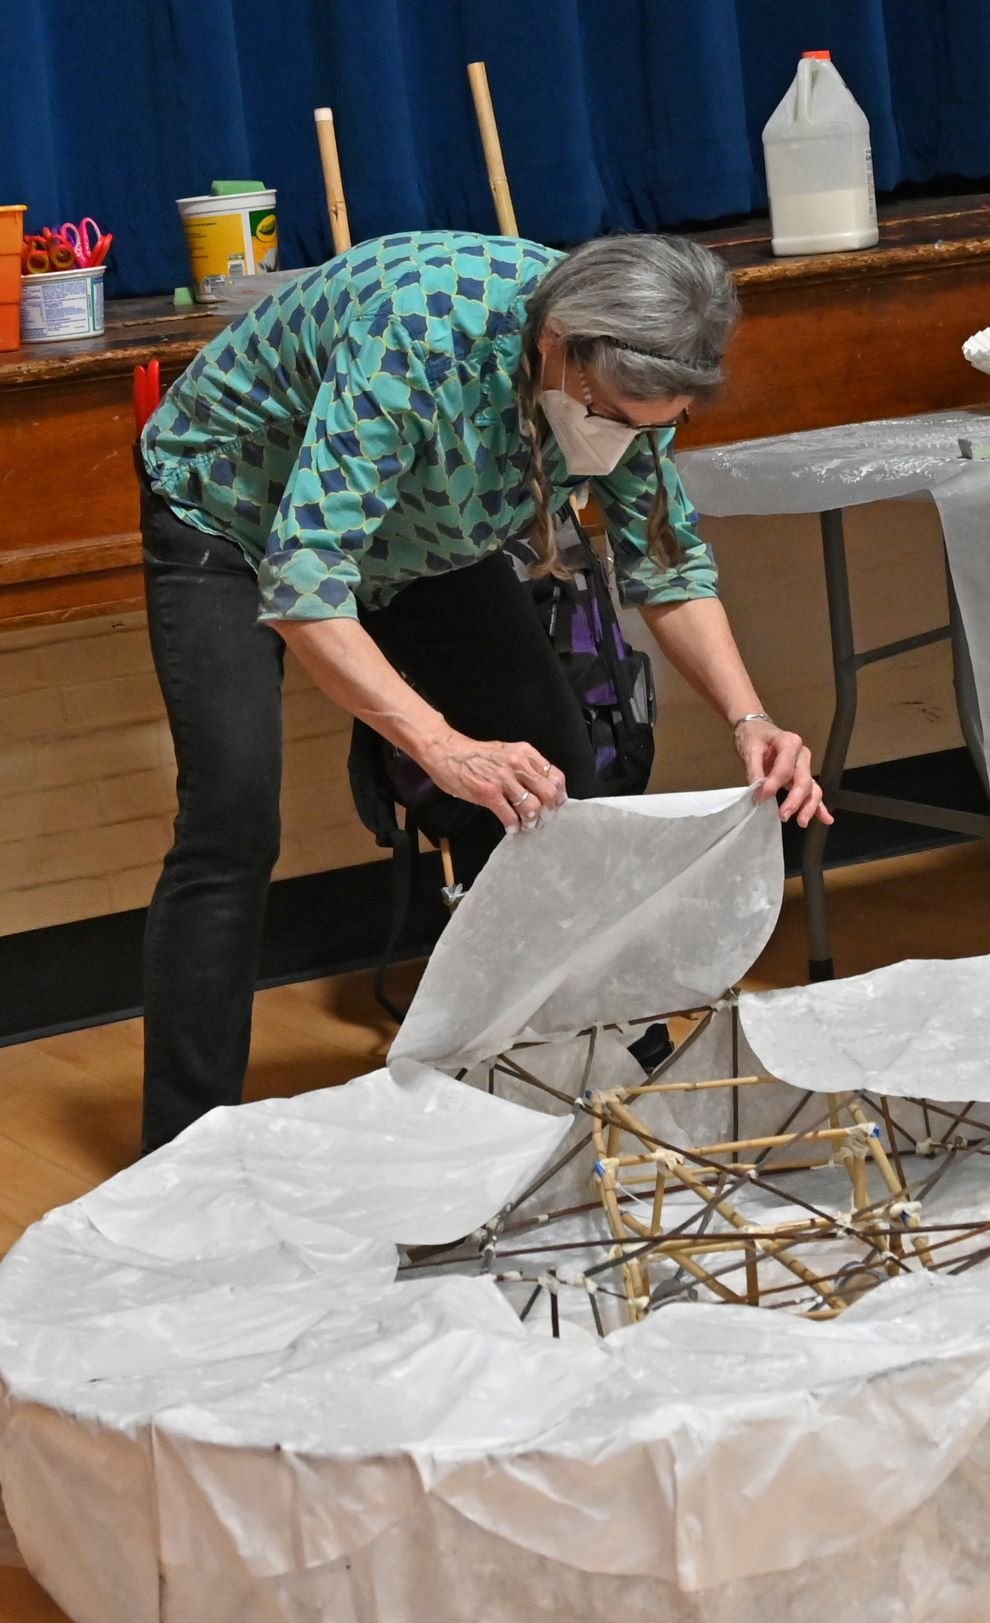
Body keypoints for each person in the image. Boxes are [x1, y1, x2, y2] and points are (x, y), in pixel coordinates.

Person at [134, 229, 826, 1152]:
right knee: (232, 814)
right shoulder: (418, 338)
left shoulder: (628, 370)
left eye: (651, 425)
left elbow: (664, 561)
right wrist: (440, 745)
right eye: (610, 412)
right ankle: (183, 1147)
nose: (620, 436)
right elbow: (307, 587)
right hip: (235, 508)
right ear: (556, 343)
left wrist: (752, 718)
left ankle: (589, 1070)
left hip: (426, 535)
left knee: (556, 784)